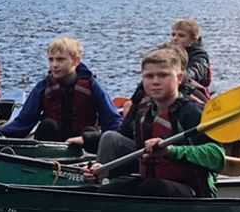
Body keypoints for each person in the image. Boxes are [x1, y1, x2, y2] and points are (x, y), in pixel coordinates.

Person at [83, 45, 227, 197]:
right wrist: (107, 170)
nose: (155, 82)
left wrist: (173, 150)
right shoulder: (144, 113)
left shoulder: (191, 111)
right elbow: (142, 160)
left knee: (153, 187)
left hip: (191, 190)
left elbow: (217, 156)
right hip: (153, 184)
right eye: (149, 76)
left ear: (179, 78)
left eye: (163, 75)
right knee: (106, 192)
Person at [0, 37, 122, 149]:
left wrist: (90, 138)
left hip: (81, 143)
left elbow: (112, 120)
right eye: (51, 60)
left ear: (76, 61)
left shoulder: (92, 86)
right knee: (47, 125)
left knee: (91, 132)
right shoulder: (43, 87)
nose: (54, 65)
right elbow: (23, 122)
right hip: (52, 144)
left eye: (60, 59)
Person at [171, 19, 213, 100]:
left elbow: (196, 69)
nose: (175, 38)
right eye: (173, 35)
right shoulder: (169, 52)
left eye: (181, 35)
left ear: (193, 39)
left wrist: (183, 75)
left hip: (193, 88)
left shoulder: (199, 55)